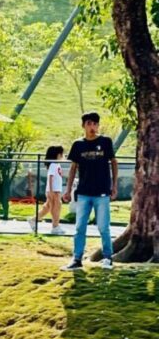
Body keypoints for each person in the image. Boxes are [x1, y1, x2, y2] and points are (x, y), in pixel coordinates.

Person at [62, 112, 119, 269]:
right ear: (83, 126)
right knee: (80, 227)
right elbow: (73, 168)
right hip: (84, 193)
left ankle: (108, 257)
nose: (92, 127)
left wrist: (114, 186)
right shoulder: (78, 145)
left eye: (95, 124)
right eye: (89, 124)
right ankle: (76, 258)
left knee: (103, 227)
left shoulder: (105, 141)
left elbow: (114, 162)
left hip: (102, 192)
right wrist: (67, 190)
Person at [32, 145, 65, 235]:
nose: (63, 155)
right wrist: (50, 190)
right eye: (61, 154)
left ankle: (33, 220)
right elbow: (50, 177)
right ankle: (55, 226)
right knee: (56, 207)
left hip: (56, 189)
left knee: (48, 207)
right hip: (53, 190)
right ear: (58, 154)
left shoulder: (56, 164)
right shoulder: (53, 164)